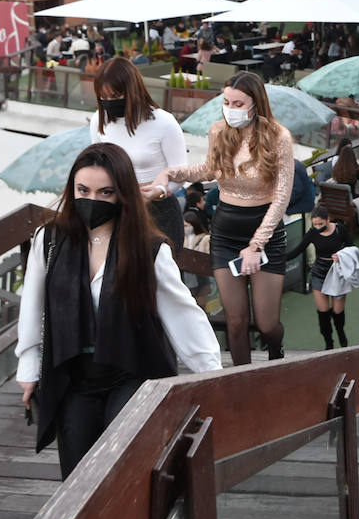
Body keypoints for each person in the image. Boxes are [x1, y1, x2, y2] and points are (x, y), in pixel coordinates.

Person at [15, 144, 221, 478]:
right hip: (73, 373)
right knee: (77, 473)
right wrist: (29, 367)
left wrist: (212, 377)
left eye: (105, 192)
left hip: (131, 370)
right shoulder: (49, 239)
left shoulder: (148, 248)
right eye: (83, 190)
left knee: (123, 464)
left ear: (122, 194)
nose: (91, 200)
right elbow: (33, 304)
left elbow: (184, 316)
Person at [152, 72, 295, 365]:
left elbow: (282, 196)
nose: (231, 108)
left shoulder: (279, 137)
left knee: (267, 324)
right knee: (236, 320)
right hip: (226, 230)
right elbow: (209, 170)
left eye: (238, 103)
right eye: (226, 101)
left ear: (256, 104)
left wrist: (256, 245)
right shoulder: (219, 131)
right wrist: (171, 173)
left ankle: (276, 352)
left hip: (265, 231)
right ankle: (242, 384)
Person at [90, 57, 189, 248]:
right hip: (116, 211)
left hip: (159, 212)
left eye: (115, 96)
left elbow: (180, 173)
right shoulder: (99, 120)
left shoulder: (164, 122)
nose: (109, 103)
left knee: (161, 273)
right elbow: (98, 165)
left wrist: (158, 192)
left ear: (131, 91)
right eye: (104, 98)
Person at [287, 206, 354, 349]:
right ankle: (328, 342)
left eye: (320, 224)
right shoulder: (312, 233)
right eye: (315, 224)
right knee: (323, 312)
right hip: (319, 272)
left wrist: (341, 255)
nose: (317, 227)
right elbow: (298, 250)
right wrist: (279, 258)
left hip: (337, 271)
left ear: (328, 219)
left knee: (338, 312)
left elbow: (351, 248)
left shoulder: (339, 229)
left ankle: (341, 334)